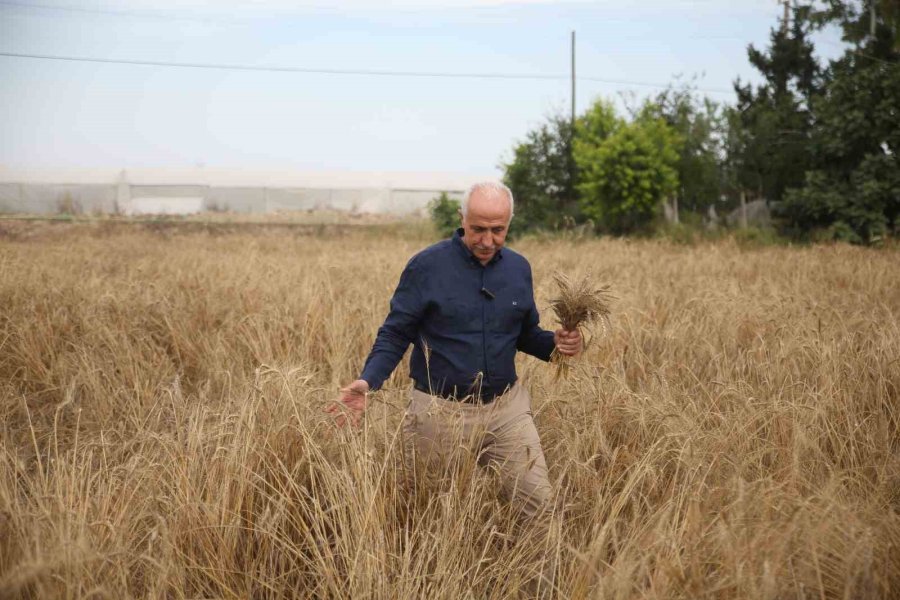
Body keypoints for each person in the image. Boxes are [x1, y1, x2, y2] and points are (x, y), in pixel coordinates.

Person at [330, 181, 582, 520]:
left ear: (509, 224)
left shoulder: (519, 269)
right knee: (428, 516)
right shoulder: (426, 267)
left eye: (498, 230)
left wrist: (557, 345)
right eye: (478, 229)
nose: (487, 240)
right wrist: (367, 381)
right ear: (461, 218)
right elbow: (395, 332)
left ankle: (542, 575)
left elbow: (524, 335)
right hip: (439, 413)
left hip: (506, 410)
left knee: (539, 509)